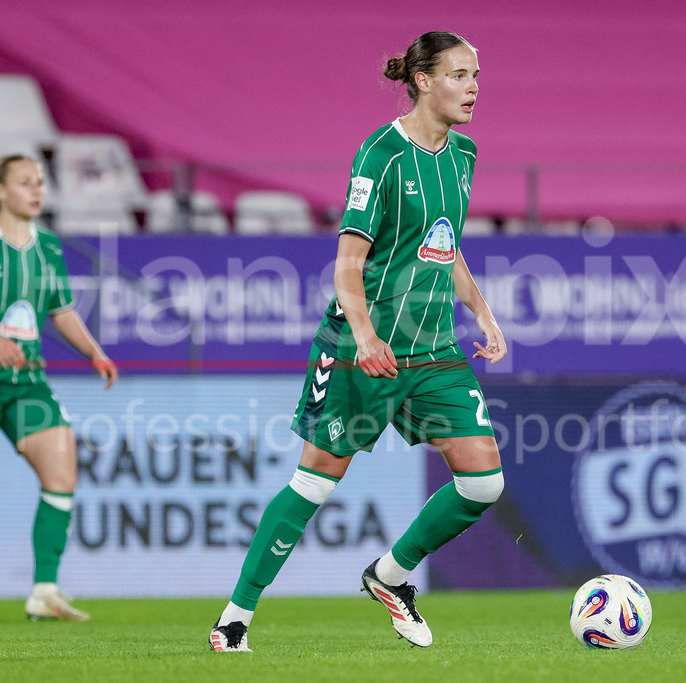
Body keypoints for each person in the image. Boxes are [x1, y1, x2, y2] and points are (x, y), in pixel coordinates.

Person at [209, 30, 505, 653]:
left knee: (483, 482)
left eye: (476, 75)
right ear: (423, 81)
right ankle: (235, 618)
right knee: (316, 481)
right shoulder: (381, 154)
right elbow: (348, 262)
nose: (473, 87)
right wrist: (365, 335)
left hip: (433, 352)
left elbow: (446, 243)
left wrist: (481, 311)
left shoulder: (464, 155)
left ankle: (389, 577)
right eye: (459, 74)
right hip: (359, 348)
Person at [0, 154, 117, 622]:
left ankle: (44, 591)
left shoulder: (49, 248)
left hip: (27, 383)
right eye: (25, 182)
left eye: (40, 182)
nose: (37, 190)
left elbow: (61, 311)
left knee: (62, 475)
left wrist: (94, 352)